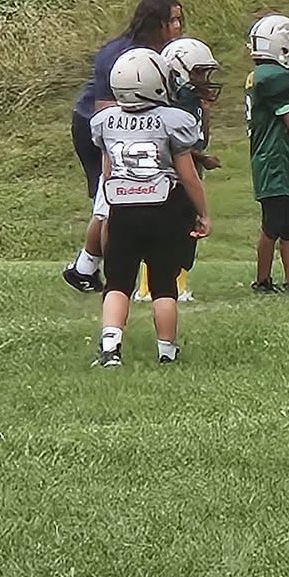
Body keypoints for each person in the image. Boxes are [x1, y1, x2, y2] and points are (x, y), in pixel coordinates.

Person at [88, 48, 208, 367]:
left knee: (117, 282)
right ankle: (166, 351)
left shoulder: (104, 121)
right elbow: (188, 175)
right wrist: (203, 212)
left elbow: (108, 172)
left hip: (123, 208)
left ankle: (111, 348)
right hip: (164, 208)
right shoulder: (174, 120)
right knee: (163, 284)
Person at [64, 0, 184, 292]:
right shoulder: (118, 53)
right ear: (155, 23)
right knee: (111, 201)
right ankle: (114, 274)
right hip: (101, 129)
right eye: (172, 20)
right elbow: (107, 110)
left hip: (134, 131)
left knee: (117, 202)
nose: (179, 26)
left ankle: (85, 268)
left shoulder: (166, 52)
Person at [243, 14, 289, 294]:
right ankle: (262, 279)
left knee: (287, 222)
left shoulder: (257, 75)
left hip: (269, 155)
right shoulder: (276, 77)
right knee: (274, 222)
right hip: (276, 157)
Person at [158, 37, 222, 303]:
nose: (203, 79)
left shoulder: (192, 100)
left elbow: (199, 138)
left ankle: (160, 287)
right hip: (175, 177)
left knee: (182, 232)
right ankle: (169, 287)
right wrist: (202, 158)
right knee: (178, 233)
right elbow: (178, 143)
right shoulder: (178, 101)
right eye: (197, 72)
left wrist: (205, 111)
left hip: (187, 172)